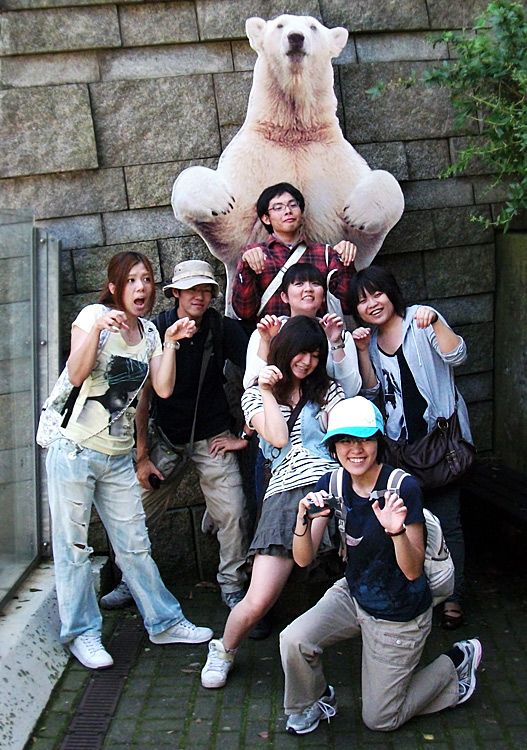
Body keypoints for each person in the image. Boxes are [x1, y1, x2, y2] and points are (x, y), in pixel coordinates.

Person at [45, 251, 213, 670]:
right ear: (116, 286)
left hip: (118, 459)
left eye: (148, 279)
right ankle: (82, 633)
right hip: (74, 450)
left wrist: (171, 342)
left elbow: (162, 387)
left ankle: (164, 621)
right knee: (75, 548)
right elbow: (77, 373)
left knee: (135, 545)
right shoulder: (92, 317)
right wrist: (98, 328)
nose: (142, 287)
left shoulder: (152, 335)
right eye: (133, 280)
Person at [279, 396, 482, 735]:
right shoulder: (332, 484)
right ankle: (310, 702)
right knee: (293, 640)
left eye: (364, 439)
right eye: (345, 440)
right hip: (354, 593)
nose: (355, 450)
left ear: (378, 441)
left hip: (399, 611)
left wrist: (395, 530)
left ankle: (454, 666)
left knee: (380, 719)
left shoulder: (402, 487)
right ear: (333, 446)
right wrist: (301, 519)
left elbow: (413, 570)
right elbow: (302, 558)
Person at [200, 316, 345, 689]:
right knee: (259, 598)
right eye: (301, 352)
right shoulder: (254, 394)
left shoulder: (328, 390)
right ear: (284, 349)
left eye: (316, 354)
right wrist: (265, 390)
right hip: (285, 496)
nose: (308, 361)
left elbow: (343, 432)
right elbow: (278, 438)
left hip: (333, 485)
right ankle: (224, 649)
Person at [100, 260, 251, 613]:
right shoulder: (156, 331)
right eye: (191, 289)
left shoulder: (222, 329)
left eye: (205, 290)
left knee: (233, 512)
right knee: (134, 510)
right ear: (175, 294)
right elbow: (140, 396)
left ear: (213, 294)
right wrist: (141, 455)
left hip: (213, 435)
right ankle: (131, 579)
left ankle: (233, 586)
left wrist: (247, 432)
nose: (198, 296)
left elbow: (260, 373)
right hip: (166, 436)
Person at [348, 266, 472, 630]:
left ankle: (454, 597)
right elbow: (372, 393)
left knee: (448, 524)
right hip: (401, 451)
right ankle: (419, 593)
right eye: (362, 300)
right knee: (409, 523)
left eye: (376, 294)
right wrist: (360, 351)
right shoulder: (369, 341)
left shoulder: (421, 320)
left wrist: (435, 322)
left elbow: (458, 356)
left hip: (441, 445)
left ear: (391, 293)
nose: (372, 304)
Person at [231, 182, 357, 326]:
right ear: (266, 218)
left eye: (293, 205)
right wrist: (246, 269)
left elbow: (348, 305)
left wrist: (346, 262)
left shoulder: (325, 253)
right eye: (278, 207)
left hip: (317, 340)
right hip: (273, 341)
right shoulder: (255, 254)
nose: (288, 211)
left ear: (301, 212)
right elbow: (244, 311)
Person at [243, 262, 361, 397]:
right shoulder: (267, 331)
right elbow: (251, 386)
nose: (308, 289)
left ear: (323, 297)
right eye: (299, 284)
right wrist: (266, 342)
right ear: (284, 297)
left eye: (315, 284)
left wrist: (336, 343)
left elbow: (351, 391)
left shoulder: (340, 335)